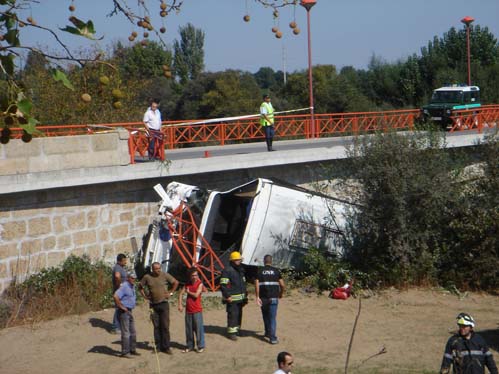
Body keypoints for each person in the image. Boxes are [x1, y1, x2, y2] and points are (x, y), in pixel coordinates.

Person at [139, 262, 179, 354]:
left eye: (159, 268)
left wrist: (170, 293)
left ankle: (166, 347)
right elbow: (140, 286)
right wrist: (144, 296)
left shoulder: (164, 275)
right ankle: (158, 346)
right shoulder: (147, 277)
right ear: (152, 269)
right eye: (156, 269)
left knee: (165, 326)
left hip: (164, 304)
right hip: (153, 305)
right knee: (156, 326)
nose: (158, 270)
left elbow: (175, 283)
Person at [255, 254, 285, 344]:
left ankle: (267, 333)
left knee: (265, 316)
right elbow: (282, 285)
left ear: (264, 261)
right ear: (271, 261)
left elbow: (256, 285)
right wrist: (281, 293)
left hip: (263, 298)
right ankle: (273, 338)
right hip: (273, 298)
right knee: (272, 318)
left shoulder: (259, 271)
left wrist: (257, 297)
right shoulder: (276, 271)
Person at [220, 251, 247, 341]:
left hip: (240, 298)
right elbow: (223, 285)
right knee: (233, 315)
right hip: (232, 299)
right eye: (237, 260)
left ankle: (237, 329)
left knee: (239, 315)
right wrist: (227, 296)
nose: (239, 261)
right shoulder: (227, 271)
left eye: (240, 260)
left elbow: (243, 284)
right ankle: (231, 333)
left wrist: (245, 296)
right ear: (232, 261)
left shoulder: (240, 270)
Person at [177, 267, 205, 353]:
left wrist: (188, 292)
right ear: (190, 276)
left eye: (196, 275)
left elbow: (196, 295)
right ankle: (190, 346)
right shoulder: (187, 284)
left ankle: (200, 346)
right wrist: (180, 304)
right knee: (189, 329)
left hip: (197, 310)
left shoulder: (200, 284)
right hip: (188, 310)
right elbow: (180, 294)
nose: (194, 277)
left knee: (198, 329)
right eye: (193, 275)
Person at [113, 271, 140, 358]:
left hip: (130, 311)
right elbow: (115, 296)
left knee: (133, 332)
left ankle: (132, 349)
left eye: (135, 278)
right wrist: (121, 306)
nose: (133, 280)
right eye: (132, 278)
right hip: (124, 311)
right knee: (126, 333)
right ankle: (125, 352)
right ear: (128, 278)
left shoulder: (132, 286)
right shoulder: (124, 286)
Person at [111, 253, 127, 334]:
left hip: (121, 292)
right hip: (119, 292)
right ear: (119, 261)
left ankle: (119, 326)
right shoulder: (117, 268)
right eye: (124, 261)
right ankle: (115, 328)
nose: (125, 262)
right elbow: (117, 276)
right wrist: (120, 286)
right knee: (118, 308)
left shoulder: (120, 267)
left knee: (121, 308)